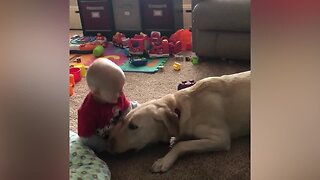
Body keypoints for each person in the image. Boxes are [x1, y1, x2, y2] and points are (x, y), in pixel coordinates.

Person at [77, 58, 138, 153]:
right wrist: (105, 146)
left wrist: (124, 122)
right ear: (97, 93)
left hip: (117, 120)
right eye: (116, 91)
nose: (121, 93)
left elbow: (127, 108)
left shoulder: (117, 96)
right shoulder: (87, 112)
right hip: (101, 133)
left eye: (121, 88)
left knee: (137, 108)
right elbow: (85, 137)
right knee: (88, 144)